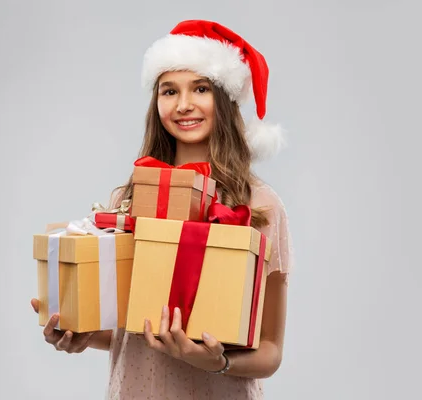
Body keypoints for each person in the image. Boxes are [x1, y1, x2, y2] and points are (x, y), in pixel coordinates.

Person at [31, 19, 293, 399]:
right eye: (169, 91)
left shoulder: (260, 205)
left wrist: (218, 361)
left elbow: (270, 350)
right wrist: (81, 334)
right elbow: (131, 328)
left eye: (200, 88)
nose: (184, 104)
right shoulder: (130, 197)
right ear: (157, 103)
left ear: (223, 97)